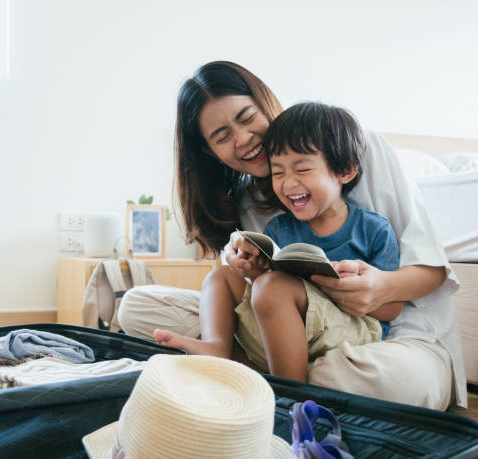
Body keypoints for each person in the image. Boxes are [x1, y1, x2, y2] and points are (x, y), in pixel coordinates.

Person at [117, 61, 467, 410]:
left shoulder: (360, 148)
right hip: (292, 325)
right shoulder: (248, 199)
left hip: (393, 341)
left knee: (393, 381)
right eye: (222, 136)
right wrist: (242, 265)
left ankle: (262, 379)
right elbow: (260, 291)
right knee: (136, 306)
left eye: (246, 117)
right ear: (210, 151)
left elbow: (433, 269)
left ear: (265, 101)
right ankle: (271, 372)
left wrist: (379, 288)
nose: (243, 139)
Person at [155, 102, 403, 382]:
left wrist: (347, 289)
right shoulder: (280, 228)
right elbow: (268, 294)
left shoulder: (372, 229)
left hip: (351, 326)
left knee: (273, 288)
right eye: (278, 172)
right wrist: (253, 269)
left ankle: (291, 392)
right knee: (222, 275)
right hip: (290, 322)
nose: (288, 183)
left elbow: (392, 308)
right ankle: (217, 347)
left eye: (302, 169)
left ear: (344, 170)